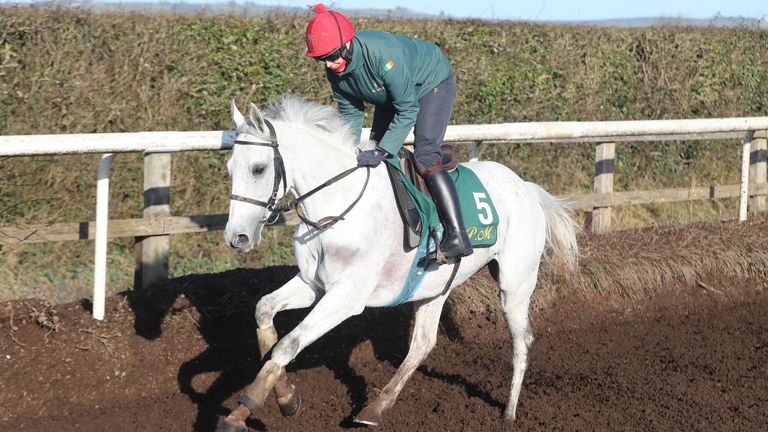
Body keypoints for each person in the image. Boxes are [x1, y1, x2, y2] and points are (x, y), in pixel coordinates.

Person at [304, 3, 473, 259]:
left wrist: (383, 149)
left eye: (332, 56)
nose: (328, 64)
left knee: (424, 154)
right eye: (321, 59)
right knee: (376, 153)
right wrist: (346, 149)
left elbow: (407, 108)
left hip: (430, 82)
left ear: (348, 44)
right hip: (391, 95)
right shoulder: (336, 71)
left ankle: (458, 235)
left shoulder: (382, 54)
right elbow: (351, 113)